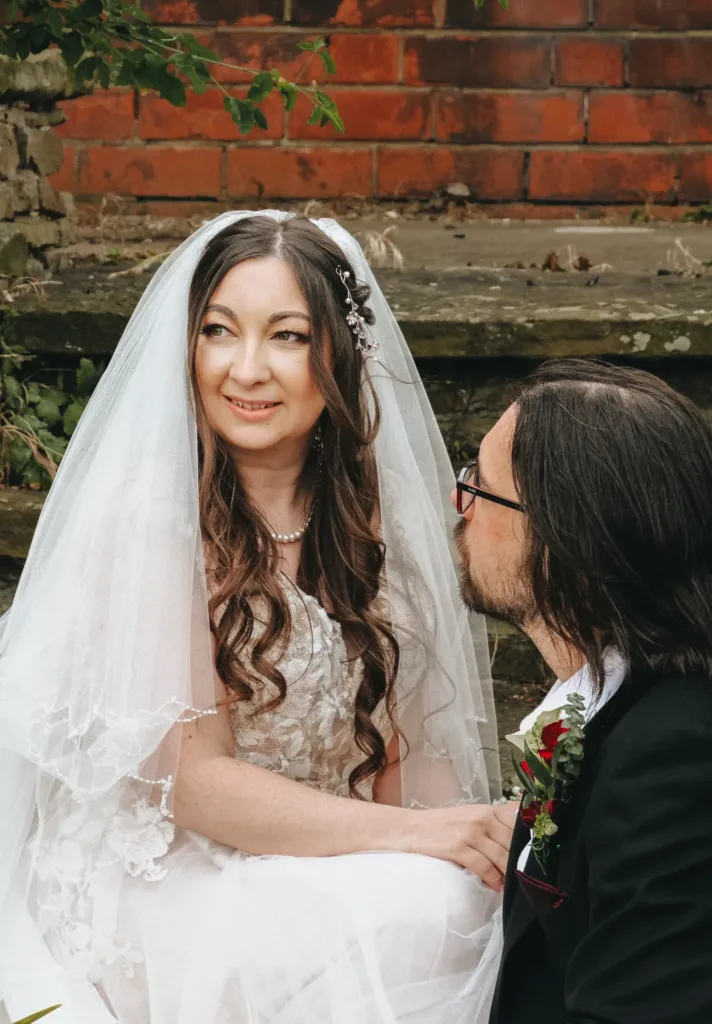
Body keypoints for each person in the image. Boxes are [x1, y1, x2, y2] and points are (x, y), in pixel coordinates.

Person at [0, 211, 514, 1024]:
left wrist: (461, 835)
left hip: (316, 859)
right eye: (218, 331)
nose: (246, 368)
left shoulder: (377, 528)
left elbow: (407, 766)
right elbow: (192, 785)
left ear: (339, 356)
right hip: (167, 879)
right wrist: (413, 845)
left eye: (286, 336)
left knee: (465, 900)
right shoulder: (152, 522)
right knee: (417, 905)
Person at [453, 358, 712, 1024]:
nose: (461, 506)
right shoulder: (600, 707)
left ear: (564, 536)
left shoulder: (673, 760)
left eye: (480, 487)